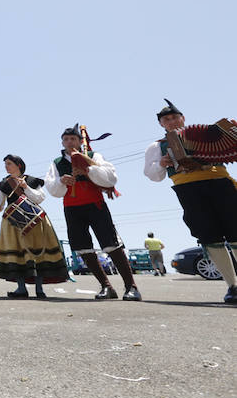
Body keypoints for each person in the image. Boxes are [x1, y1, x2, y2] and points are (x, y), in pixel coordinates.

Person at [144, 99, 237, 303]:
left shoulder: (208, 134)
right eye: (166, 119)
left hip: (220, 183)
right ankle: (232, 286)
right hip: (188, 190)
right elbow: (152, 175)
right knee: (209, 236)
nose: (171, 122)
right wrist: (161, 163)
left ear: (183, 118)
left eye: (175, 117)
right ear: (161, 124)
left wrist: (233, 132)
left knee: (235, 230)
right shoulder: (157, 146)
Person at [46, 123, 141, 301]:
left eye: (73, 138)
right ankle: (107, 286)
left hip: (95, 204)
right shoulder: (57, 163)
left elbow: (111, 177)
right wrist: (62, 181)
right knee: (83, 248)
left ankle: (132, 287)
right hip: (72, 208)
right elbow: (52, 188)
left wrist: (88, 169)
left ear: (80, 141)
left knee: (111, 244)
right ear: (62, 142)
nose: (69, 142)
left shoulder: (93, 155)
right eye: (66, 139)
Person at [0, 155, 69, 298]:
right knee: (18, 255)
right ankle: (21, 288)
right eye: (5, 164)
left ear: (18, 165)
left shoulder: (32, 181)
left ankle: (39, 289)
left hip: (35, 222)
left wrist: (25, 187)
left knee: (38, 253)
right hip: (13, 222)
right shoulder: (4, 183)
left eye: (9, 163)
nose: (6, 166)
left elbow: (40, 198)